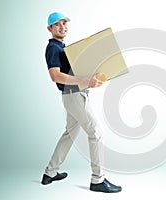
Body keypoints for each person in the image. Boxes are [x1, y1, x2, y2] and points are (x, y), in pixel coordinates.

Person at [41, 12, 122, 193]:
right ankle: (97, 179)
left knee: (70, 133)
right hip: (73, 96)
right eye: (57, 25)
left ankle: (50, 172)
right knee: (96, 132)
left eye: (65, 23)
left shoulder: (62, 47)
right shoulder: (53, 48)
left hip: (74, 95)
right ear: (50, 29)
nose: (62, 27)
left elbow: (71, 74)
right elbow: (55, 76)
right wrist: (85, 80)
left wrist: (91, 81)